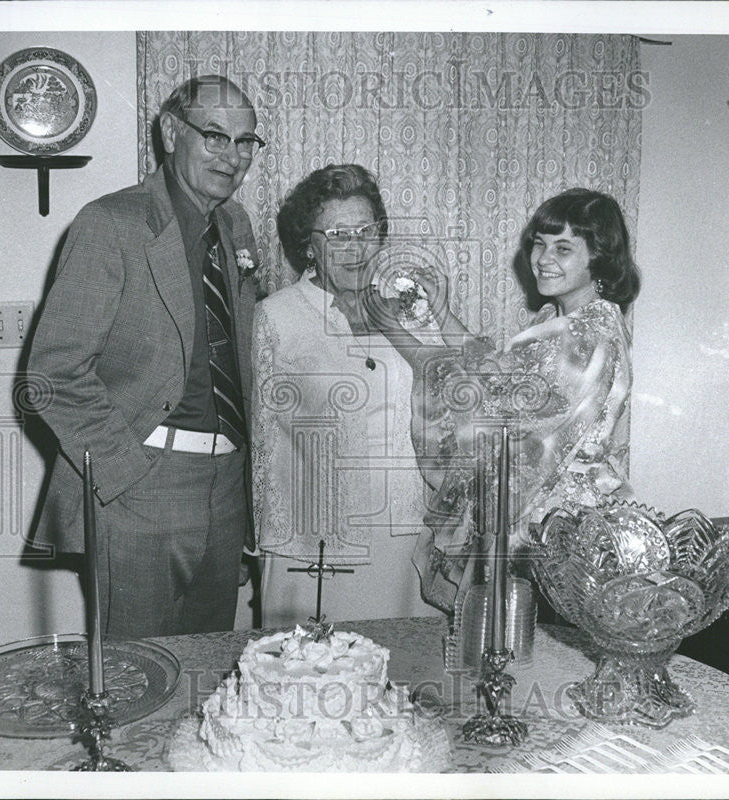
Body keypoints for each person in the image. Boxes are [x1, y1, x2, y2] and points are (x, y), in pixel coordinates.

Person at [28, 75, 265, 637]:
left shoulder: (236, 225)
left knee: (208, 664)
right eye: (215, 136)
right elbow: (52, 373)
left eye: (245, 142)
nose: (232, 157)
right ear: (169, 133)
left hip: (228, 481)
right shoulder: (111, 223)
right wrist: (124, 470)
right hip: (143, 478)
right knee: (137, 674)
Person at [362, 188, 640, 615]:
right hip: (549, 517)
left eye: (563, 248)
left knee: (517, 652)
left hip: (553, 529)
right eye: (539, 244)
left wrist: (394, 331)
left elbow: (488, 396)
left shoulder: (585, 335)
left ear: (599, 256)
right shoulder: (566, 319)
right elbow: (498, 369)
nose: (544, 258)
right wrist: (440, 311)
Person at [251, 163, 438, 627]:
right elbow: (261, 443)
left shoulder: (409, 304)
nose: (355, 248)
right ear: (307, 245)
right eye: (337, 234)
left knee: (404, 681)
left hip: (408, 530)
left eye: (366, 231)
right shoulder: (277, 317)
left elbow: (447, 395)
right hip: (315, 540)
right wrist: (260, 541)